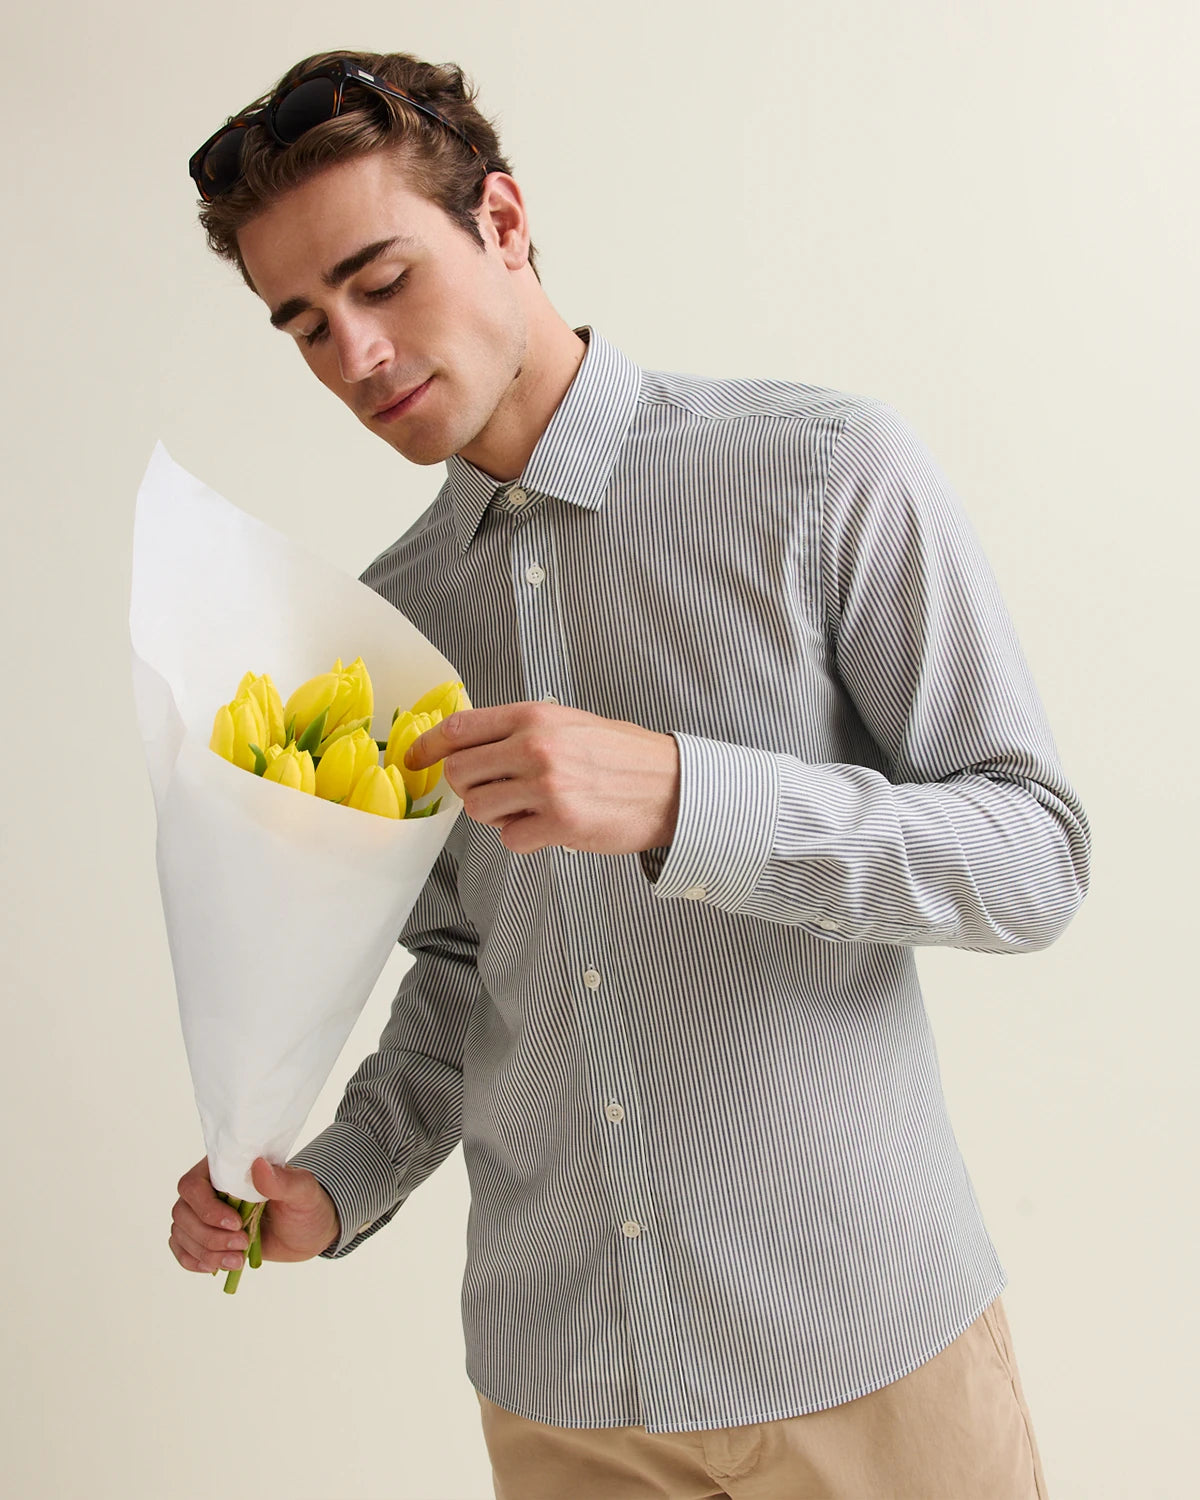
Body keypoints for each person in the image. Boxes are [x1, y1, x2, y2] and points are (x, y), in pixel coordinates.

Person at [169, 48, 1090, 1500]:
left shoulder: (824, 468)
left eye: (379, 278)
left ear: (506, 221)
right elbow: (465, 973)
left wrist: (682, 796)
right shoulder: (385, 626)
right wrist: (331, 1186)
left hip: (868, 1362)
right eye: (304, 324)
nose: (354, 353)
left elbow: (1033, 856)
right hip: (564, 1395)